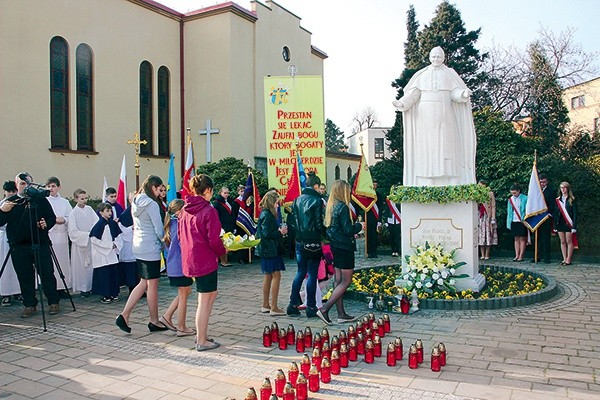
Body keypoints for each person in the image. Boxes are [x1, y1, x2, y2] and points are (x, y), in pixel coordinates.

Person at [393, 46, 476, 187]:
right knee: (427, 148)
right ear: (429, 57)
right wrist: (402, 103)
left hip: (445, 116)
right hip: (425, 118)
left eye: (438, 56)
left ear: (443, 57)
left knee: (447, 147)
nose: (436, 59)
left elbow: (454, 93)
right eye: (433, 56)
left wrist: (463, 94)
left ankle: (450, 180)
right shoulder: (422, 75)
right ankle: (427, 180)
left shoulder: (449, 74)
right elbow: (413, 95)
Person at [0, 172, 60, 317]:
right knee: (25, 276)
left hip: (41, 243)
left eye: (28, 183)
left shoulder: (40, 200)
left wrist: (47, 223)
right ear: (16, 185)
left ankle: (53, 302)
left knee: (46, 274)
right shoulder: (11, 202)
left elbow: (51, 218)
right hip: (18, 246)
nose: (25, 186)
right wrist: (2, 211)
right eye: (22, 183)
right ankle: (29, 304)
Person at [179, 174, 226, 351]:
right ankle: (201, 340)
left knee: (209, 295)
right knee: (205, 300)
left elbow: (180, 235)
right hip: (205, 258)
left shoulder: (184, 209)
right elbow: (214, 239)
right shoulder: (209, 210)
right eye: (211, 191)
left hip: (191, 257)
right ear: (207, 190)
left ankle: (202, 333)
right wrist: (223, 251)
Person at [115, 175, 167, 333]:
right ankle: (154, 320)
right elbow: (158, 229)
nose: (160, 193)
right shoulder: (150, 203)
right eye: (159, 189)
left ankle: (124, 315)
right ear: (153, 187)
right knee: (152, 285)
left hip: (138, 244)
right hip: (150, 246)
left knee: (144, 282)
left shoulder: (136, 200)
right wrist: (165, 242)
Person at [315, 180, 363, 325]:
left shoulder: (330, 206)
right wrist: (359, 226)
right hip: (344, 247)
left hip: (335, 246)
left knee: (338, 279)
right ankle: (324, 309)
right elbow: (348, 229)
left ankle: (341, 314)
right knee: (346, 281)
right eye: (347, 190)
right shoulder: (342, 207)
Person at [287, 171, 326, 318]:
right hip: (313, 241)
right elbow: (318, 224)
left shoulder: (297, 200)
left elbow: (293, 221)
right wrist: (326, 232)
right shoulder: (317, 201)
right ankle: (310, 306)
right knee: (312, 274)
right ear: (316, 186)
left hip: (299, 240)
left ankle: (292, 304)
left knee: (300, 272)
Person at [159, 199, 195, 336]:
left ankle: (167, 317)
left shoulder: (171, 224)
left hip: (173, 265)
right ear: (180, 212)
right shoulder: (180, 225)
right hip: (181, 265)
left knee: (186, 291)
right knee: (184, 294)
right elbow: (185, 245)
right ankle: (181, 327)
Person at [255, 190, 288, 316]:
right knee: (276, 276)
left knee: (268, 275)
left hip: (267, 249)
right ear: (272, 202)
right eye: (276, 203)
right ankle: (274, 306)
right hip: (270, 249)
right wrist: (280, 232)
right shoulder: (267, 215)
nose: (278, 205)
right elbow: (266, 233)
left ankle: (266, 305)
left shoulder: (265, 213)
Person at [90, 203, 122, 303]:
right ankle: (105, 295)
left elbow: (119, 236)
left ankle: (114, 293)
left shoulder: (113, 223)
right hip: (102, 254)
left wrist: (116, 244)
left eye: (110, 211)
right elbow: (94, 239)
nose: (110, 213)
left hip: (111, 253)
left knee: (113, 274)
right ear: (101, 213)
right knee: (104, 275)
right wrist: (108, 245)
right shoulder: (99, 224)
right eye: (107, 211)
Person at [68, 188, 97, 297]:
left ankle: (92, 287)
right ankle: (83, 289)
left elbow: (96, 222)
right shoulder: (73, 213)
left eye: (86, 198)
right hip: (80, 244)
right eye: (82, 198)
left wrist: (93, 233)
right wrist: (86, 235)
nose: (84, 201)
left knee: (91, 266)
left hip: (90, 243)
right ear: (76, 199)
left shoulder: (89, 209)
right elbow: (72, 231)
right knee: (82, 267)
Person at [46, 177, 73, 297]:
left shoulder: (65, 202)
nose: (51, 188)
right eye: (49, 186)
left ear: (58, 187)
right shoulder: (45, 201)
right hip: (50, 235)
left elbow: (71, 217)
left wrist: (65, 219)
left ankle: (62, 287)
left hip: (62, 237)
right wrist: (53, 220)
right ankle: (51, 289)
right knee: (50, 263)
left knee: (62, 262)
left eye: (53, 186)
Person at [0, 180, 21, 307]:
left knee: (16, 266)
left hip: (16, 238)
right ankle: (5, 293)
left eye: (14, 191)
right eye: (9, 191)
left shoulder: (19, 204)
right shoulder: (2, 205)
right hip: (3, 240)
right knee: (5, 265)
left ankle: (17, 291)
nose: (12, 194)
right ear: (5, 192)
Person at [117, 201, 140, 295]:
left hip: (137, 246)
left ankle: (138, 290)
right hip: (128, 246)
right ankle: (132, 289)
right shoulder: (125, 216)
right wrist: (131, 228)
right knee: (130, 270)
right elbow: (122, 230)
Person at [554, 181, 578, 266]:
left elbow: (575, 214)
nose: (563, 189)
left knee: (569, 241)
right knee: (562, 241)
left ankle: (569, 259)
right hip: (560, 222)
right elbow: (555, 213)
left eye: (564, 187)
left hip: (569, 223)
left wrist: (574, 226)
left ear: (568, 188)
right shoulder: (558, 200)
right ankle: (564, 258)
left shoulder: (572, 199)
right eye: (561, 187)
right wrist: (555, 225)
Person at [213, 186, 235, 267]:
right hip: (222, 226)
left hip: (229, 225)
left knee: (228, 244)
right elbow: (216, 216)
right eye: (224, 193)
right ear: (220, 193)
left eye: (227, 193)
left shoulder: (229, 202)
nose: (226, 194)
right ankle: (223, 261)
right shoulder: (217, 203)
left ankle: (226, 260)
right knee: (223, 244)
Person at [535, 174, 554, 264]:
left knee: (546, 237)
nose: (542, 183)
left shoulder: (550, 191)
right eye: (541, 182)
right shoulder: (536, 190)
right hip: (537, 217)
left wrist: (547, 212)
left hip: (546, 216)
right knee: (537, 237)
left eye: (544, 182)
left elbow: (552, 204)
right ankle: (537, 255)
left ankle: (547, 257)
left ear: (547, 182)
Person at [506, 184, 528, 262]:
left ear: (519, 191)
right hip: (514, 220)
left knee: (522, 238)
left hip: (522, 220)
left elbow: (527, 210)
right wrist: (508, 223)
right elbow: (509, 211)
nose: (513, 195)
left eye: (515, 193)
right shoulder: (510, 199)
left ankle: (521, 256)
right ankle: (516, 255)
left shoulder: (525, 198)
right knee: (516, 239)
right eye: (512, 193)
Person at [477, 179, 498, 260]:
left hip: (487, 216)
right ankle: (482, 254)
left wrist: (493, 217)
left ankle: (487, 254)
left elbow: (493, 206)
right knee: (481, 235)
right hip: (479, 216)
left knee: (488, 234)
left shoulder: (490, 193)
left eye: (481, 185)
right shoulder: (476, 194)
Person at [365, 180, 383, 258]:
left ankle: (374, 251)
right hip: (368, 218)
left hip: (376, 218)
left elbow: (380, 208)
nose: (374, 187)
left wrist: (380, 220)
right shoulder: (367, 196)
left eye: (375, 185)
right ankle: (369, 251)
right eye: (373, 185)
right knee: (369, 235)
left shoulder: (379, 195)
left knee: (375, 236)